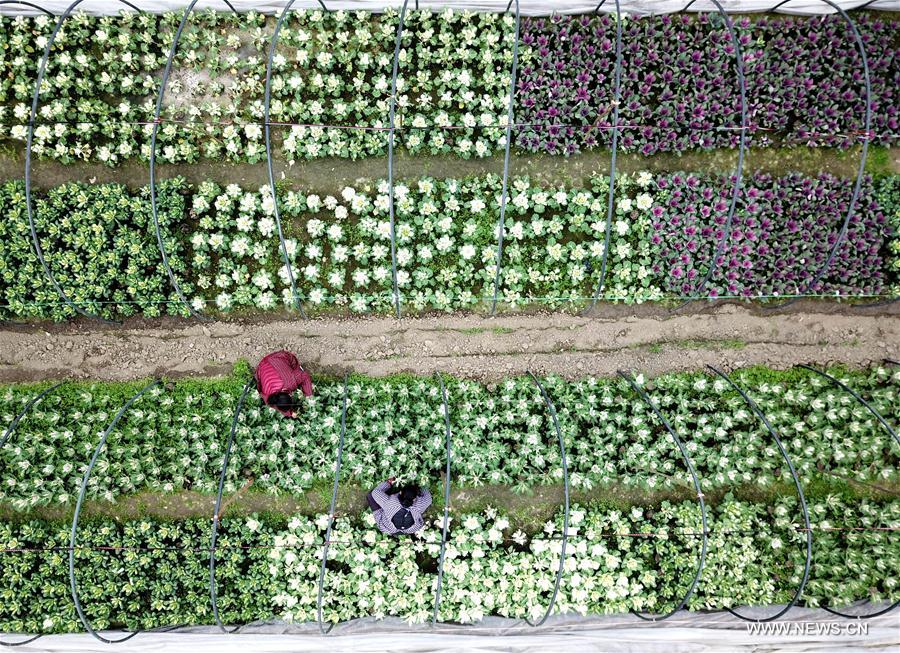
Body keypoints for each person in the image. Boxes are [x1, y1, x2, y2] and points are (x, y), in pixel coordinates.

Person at [255, 350, 313, 418]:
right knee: (293, 373)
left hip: (278, 357)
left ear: (290, 395)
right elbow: (272, 404)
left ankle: (296, 369)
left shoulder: (290, 382)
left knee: (296, 370)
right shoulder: (269, 397)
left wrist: (308, 394)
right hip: (263, 365)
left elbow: (305, 375)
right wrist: (290, 413)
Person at [366, 477, 432, 535]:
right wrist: (422, 485)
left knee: (370, 495)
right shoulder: (419, 505)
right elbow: (428, 498)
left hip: (387, 527)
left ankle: (389, 488)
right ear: (415, 499)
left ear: (400, 492)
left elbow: (376, 492)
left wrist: (389, 482)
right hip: (409, 530)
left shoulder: (391, 503)